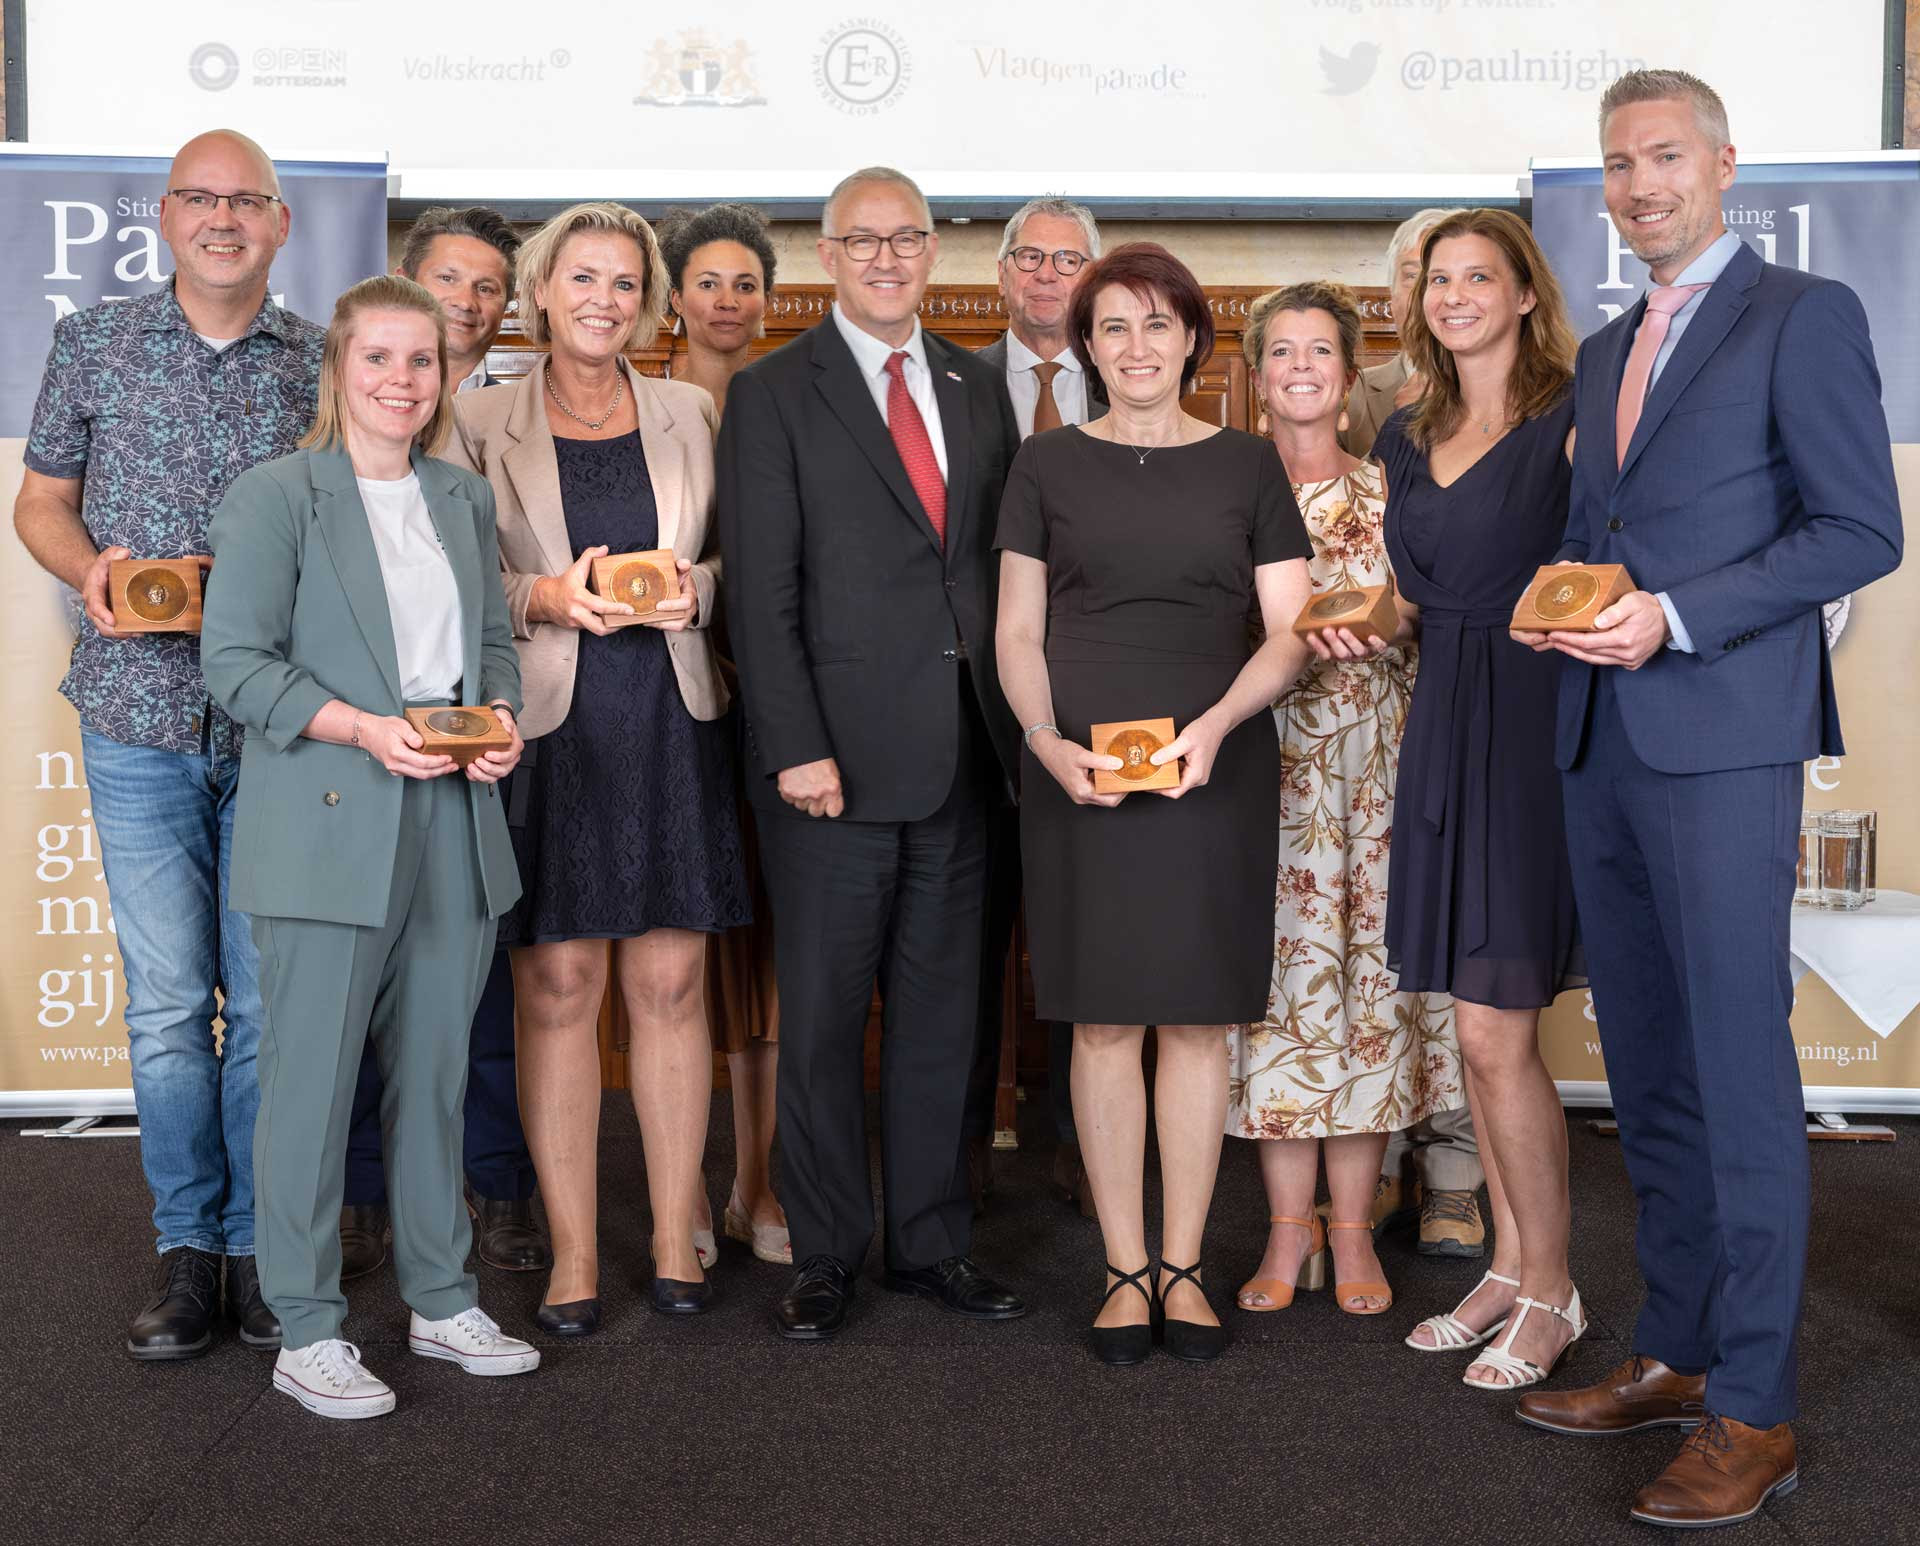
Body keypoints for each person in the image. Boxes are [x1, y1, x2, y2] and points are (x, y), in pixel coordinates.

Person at [1513, 70, 1902, 1530]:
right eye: (1618, 165)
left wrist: (1672, 616)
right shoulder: (1610, 344)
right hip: (1599, 739)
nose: (1638, 184)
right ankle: (1677, 1352)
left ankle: (1756, 1405)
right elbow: (1590, 535)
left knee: (1737, 1076)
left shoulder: (1803, 316)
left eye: (1663, 155)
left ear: (1723, 165)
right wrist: (1559, 610)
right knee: (1653, 1072)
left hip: (1720, 741)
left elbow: (1861, 526)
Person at [201, 273, 537, 1419]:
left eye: (422, 362)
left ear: (445, 378)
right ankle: (305, 1326)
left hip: (453, 817)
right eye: (379, 358)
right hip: (330, 822)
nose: (402, 380)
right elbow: (233, 664)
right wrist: (361, 727)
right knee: (310, 1084)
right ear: (337, 369)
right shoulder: (275, 495)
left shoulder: (457, 494)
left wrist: (499, 727)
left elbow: (493, 646)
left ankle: (442, 1301)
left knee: (437, 1077)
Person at [13, 130, 323, 1362]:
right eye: (201, 197)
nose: (224, 217)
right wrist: (93, 566)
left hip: (281, 721)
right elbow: (40, 498)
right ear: (164, 215)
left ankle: (255, 1251)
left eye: (248, 199)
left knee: (261, 1005)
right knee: (158, 1009)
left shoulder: (319, 361)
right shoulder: (91, 342)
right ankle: (188, 1247)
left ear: (282, 223)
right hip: (135, 717)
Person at [717, 166, 1026, 1341]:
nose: (888, 258)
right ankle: (829, 1248)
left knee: (947, 1017)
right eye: (864, 240)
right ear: (828, 254)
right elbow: (764, 589)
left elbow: (990, 574)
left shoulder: (974, 385)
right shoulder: (774, 393)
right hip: (829, 770)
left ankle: (934, 1243)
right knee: (829, 1021)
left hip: (965, 758)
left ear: (934, 249)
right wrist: (794, 745)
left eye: (908, 239)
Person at [995, 243, 1313, 1365]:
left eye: (1157, 325)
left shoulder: (1249, 466)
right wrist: (1046, 743)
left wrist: (1216, 728)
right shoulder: (1042, 465)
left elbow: (1287, 633)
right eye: (1113, 327)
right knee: (1102, 1019)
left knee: (1192, 1017)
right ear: (1086, 344)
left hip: (1211, 766)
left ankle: (1185, 1264)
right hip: (1078, 774)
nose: (1137, 347)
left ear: (1192, 341)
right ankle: (1123, 1268)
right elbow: (1018, 632)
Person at [448, 202, 747, 1334]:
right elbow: (448, 568)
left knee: (671, 984)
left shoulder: (692, 410)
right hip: (550, 723)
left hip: (672, 716)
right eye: (583, 278)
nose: (603, 301)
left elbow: (734, 557)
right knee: (558, 988)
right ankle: (573, 1250)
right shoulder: (477, 418)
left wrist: (698, 590)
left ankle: (675, 1233)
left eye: (625, 283)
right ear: (541, 290)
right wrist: (540, 594)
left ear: (649, 301)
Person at [1364, 209, 1587, 1390]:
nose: (1453, 295)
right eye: (1438, 279)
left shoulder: (1570, 415)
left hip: (1535, 724)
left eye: (1476, 277)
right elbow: (1410, 596)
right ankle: (1509, 1264)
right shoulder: (1409, 430)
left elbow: (1607, 558)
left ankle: (1551, 1286)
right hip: (1441, 715)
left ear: (1520, 293)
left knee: (1499, 1031)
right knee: (1470, 1028)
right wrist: (1357, 629)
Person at [1225, 281, 1459, 1318]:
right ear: (1255, 372)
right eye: (1283, 351)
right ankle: (1287, 1232)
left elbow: (1433, 606)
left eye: (1321, 350)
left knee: (1369, 998)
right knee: (1277, 999)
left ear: (1346, 367)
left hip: (1375, 781)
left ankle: (1355, 1229)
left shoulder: (1390, 490)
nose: (1303, 368)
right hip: (1263, 775)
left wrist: (1396, 623)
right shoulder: (1224, 490)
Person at [339, 203, 548, 1283]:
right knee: (368, 979)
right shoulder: (350, 418)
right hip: (361, 751)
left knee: (480, 979)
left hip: (479, 741)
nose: (468, 304)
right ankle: (366, 1191)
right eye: (449, 282)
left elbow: (497, 606)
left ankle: (496, 1182)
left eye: (486, 290)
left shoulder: (511, 419)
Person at [1340, 208, 1490, 1261]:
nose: (1428, 294)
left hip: (1477, 700)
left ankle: (1454, 1171)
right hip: (1362, 710)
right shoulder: (1353, 399)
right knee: (1374, 948)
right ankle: (1374, 1161)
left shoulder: (1529, 401)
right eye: (1412, 275)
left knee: (1469, 959)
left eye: (1446, 274)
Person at [657, 202, 791, 1268]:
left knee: (766, 959)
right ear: (674, 295)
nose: (727, 301)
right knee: (682, 959)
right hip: (671, 698)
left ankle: (760, 1181)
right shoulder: (641, 403)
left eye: (745, 283)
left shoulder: (792, 397)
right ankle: (686, 1189)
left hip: (772, 700)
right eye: (707, 281)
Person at [970, 196, 1107, 1217]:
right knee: (968, 929)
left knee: (1080, 927)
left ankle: (1074, 1135)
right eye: (1033, 258)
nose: (1050, 276)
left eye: (1070, 260)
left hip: (1105, 698)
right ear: (1003, 272)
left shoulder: (1131, 381)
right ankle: (964, 1138)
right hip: (968, 695)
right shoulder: (950, 384)